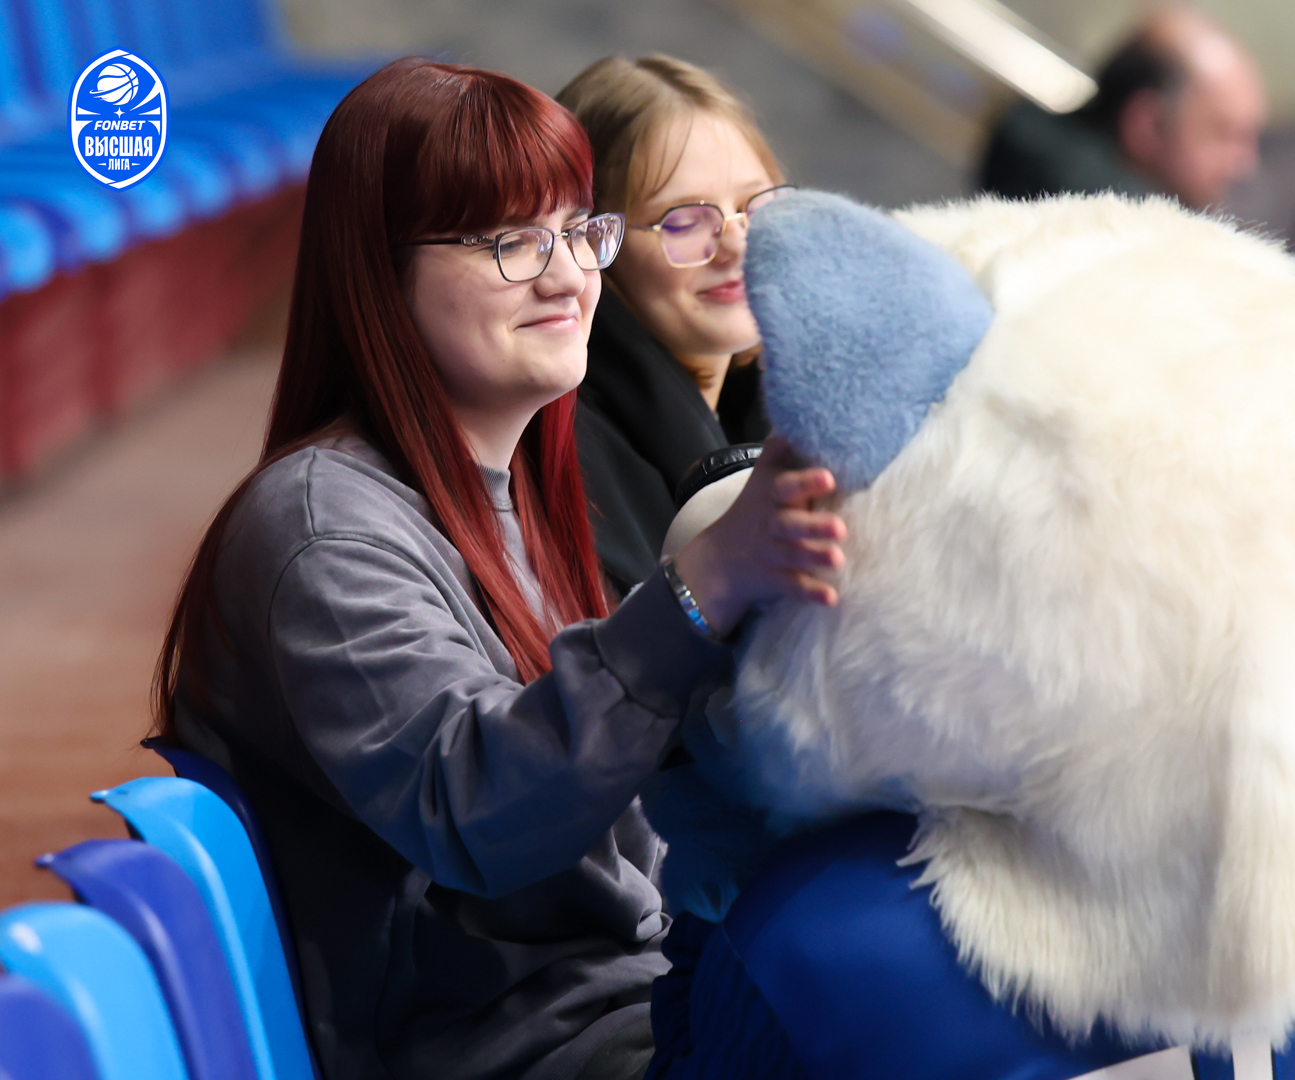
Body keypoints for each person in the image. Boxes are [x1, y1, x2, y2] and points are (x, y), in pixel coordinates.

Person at [151, 58, 845, 1080]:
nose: (568, 277)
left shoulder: (513, 494)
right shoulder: (321, 528)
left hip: (627, 1001)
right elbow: (475, 810)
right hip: (533, 1049)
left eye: (577, 231)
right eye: (512, 242)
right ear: (378, 270)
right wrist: (700, 591)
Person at [556, 56, 791, 596]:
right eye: (683, 221)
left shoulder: (789, 420)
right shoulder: (573, 468)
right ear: (595, 244)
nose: (736, 245)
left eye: (755, 205)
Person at [979, 6, 1265, 210]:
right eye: (1223, 134)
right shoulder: (1073, 199)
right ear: (1146, 126)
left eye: (1250, 136)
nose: (1245, 164)